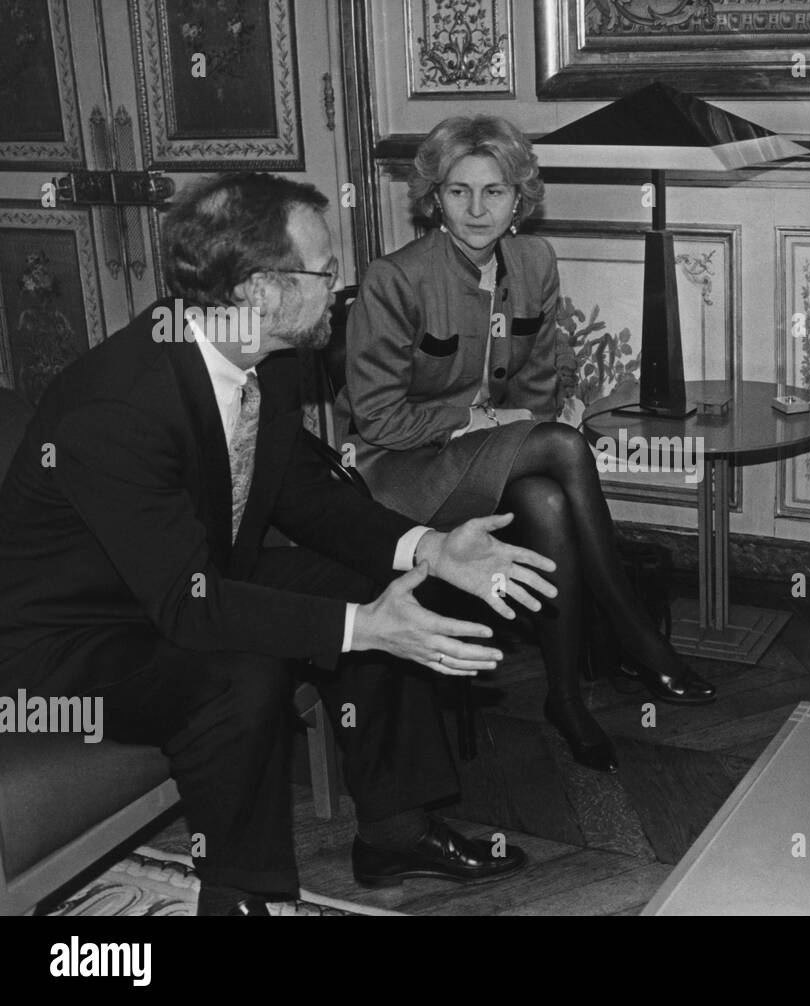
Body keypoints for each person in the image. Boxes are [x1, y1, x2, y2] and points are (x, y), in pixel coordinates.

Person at [0, 172, 559, 915]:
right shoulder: (119, 406)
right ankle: (240, 896)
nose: (340, 285)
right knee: (242, 674)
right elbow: (186, 609)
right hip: (69, 638)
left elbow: (304, 495)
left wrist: (430, 549)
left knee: (368, 581)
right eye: (325, 270)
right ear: (260, 291)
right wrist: (365, 630)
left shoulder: (274, 360)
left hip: (183, 580)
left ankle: (394, 828)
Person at [340, 115, 716, 774]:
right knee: (564, 454)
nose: (477, 208)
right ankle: (634, 634)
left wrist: (558, 404)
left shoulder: (534, 260)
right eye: (459, 191)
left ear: (520, 198)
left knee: (546, 497)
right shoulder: (394, 279)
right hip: (403, 464)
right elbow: (377, 420)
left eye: (495, 191)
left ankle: (566, 698)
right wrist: (477, 421)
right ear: (435, 196)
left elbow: (542, 376)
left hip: (499, 452)